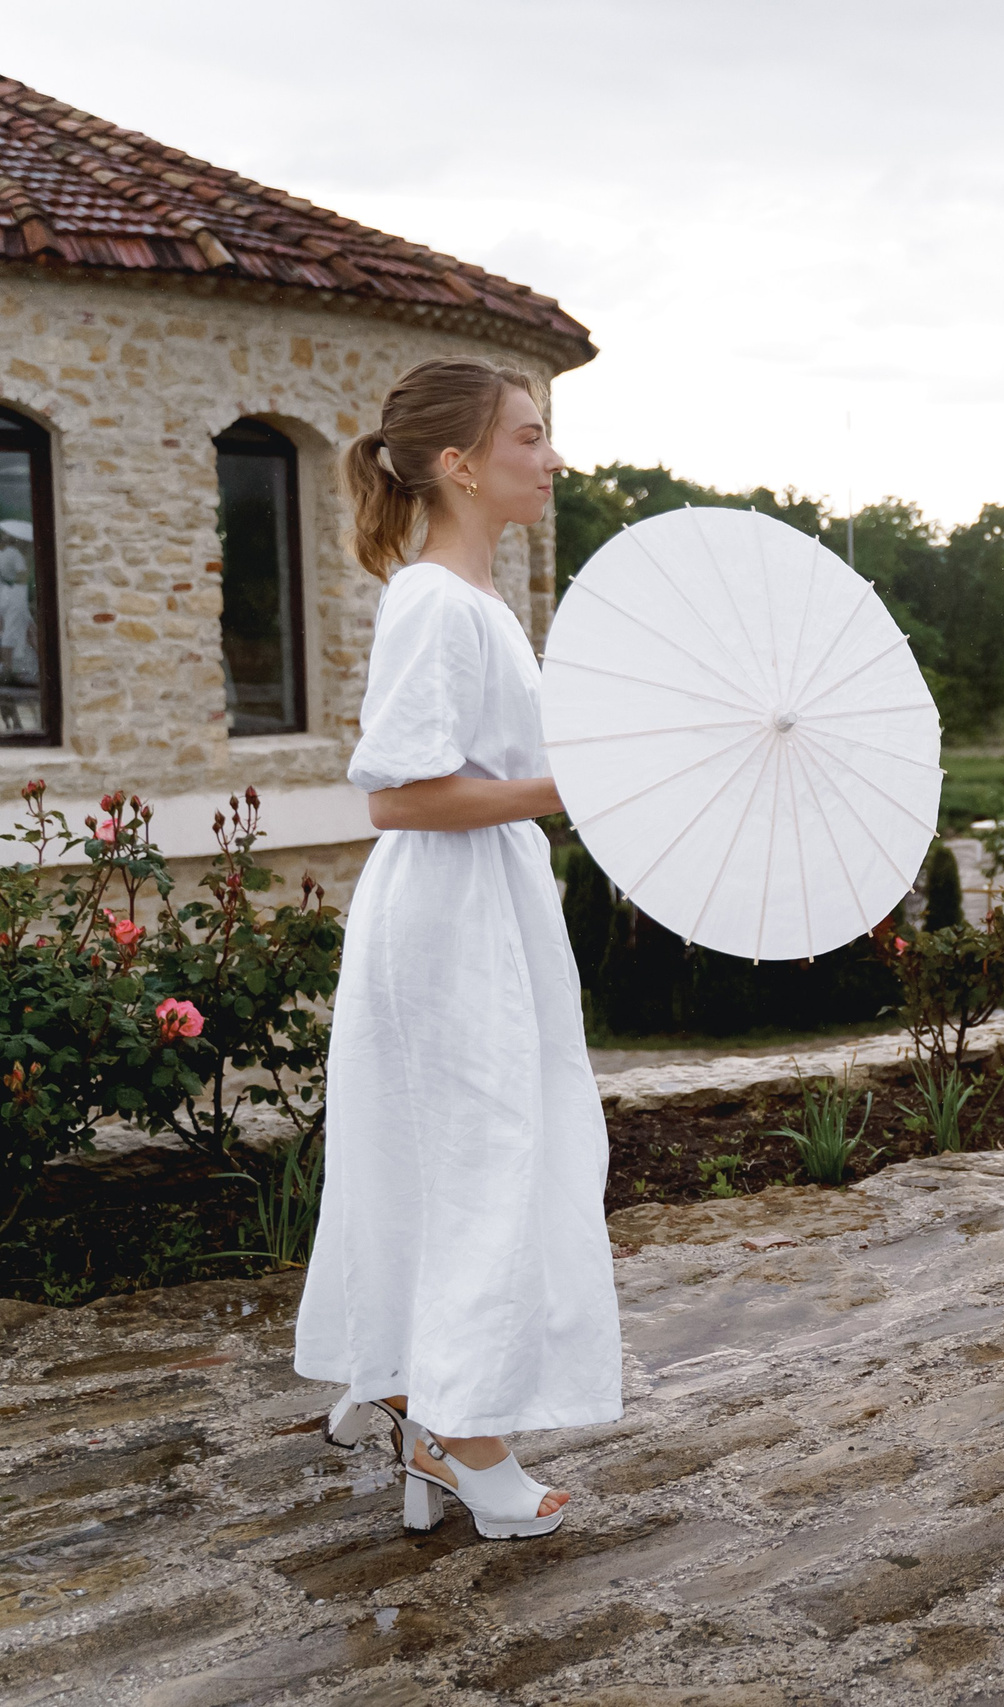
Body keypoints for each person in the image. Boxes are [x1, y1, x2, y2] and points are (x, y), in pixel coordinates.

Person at [297, 357, 618, 1540]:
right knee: (483, 1163)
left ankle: (404, 1381)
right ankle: (458, 1435)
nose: (551, 457)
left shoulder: (474, 602)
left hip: (487, 907)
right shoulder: (432, 600)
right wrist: (572, 786)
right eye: (530, 437)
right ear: (459, 464)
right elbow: (402, 797)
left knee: (474, 1159)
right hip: (447, 915)